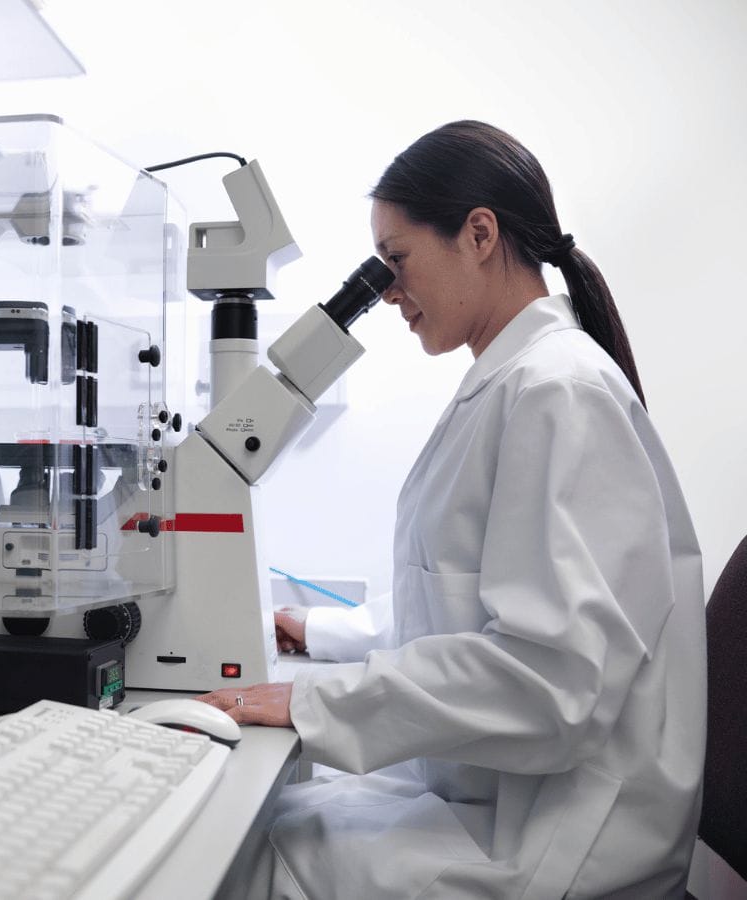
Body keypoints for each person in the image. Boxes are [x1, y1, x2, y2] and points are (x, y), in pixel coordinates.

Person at [198, 120, 706, 899]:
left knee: (237, 859)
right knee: (274, 813)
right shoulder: (516, 382)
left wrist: (313, 700)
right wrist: (322, 634)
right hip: (501, 800)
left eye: (396, 262)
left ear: (478, 234)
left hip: (557, 840)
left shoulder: (555, 391)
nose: (391, 292)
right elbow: (471, 608)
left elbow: (550, 680)